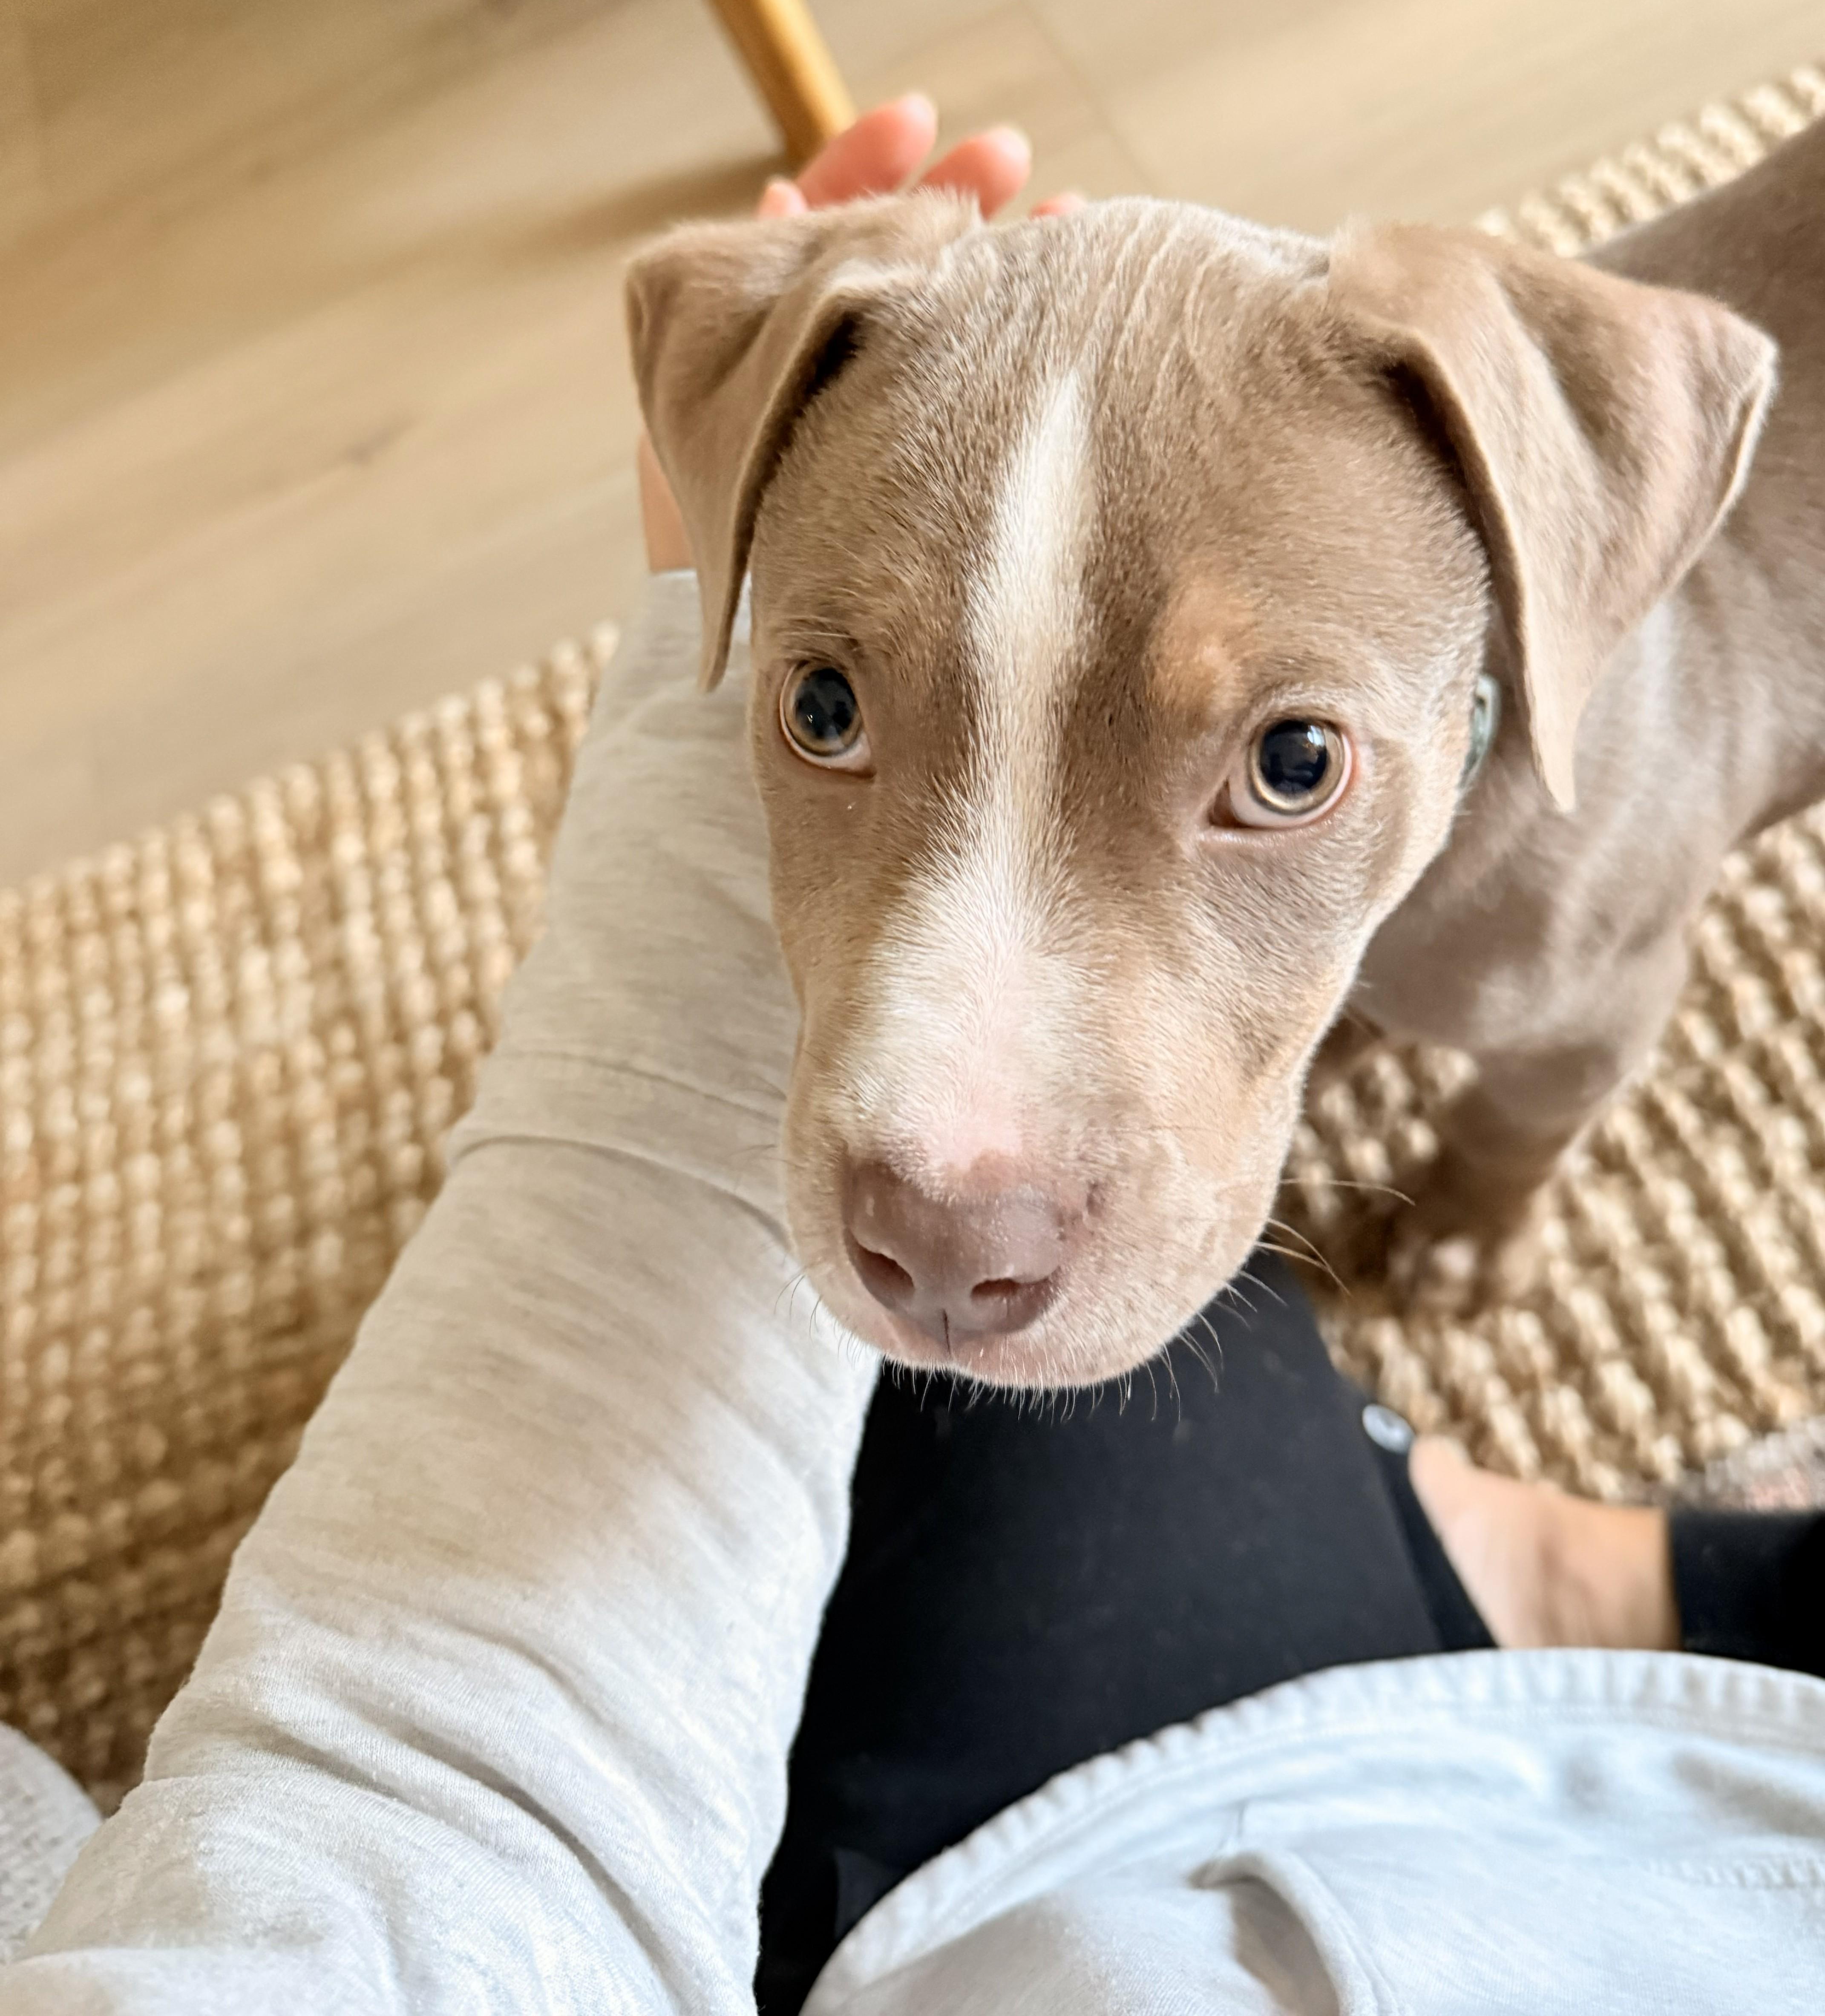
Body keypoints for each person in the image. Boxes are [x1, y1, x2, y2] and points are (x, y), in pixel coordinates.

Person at [0, 103, 1821, 2015]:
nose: (952, 1174)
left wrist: (1484, 1194)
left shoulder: (1560, 854)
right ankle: (1572, 1574)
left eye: (1289, 762)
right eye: (825, 701)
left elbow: (1589, 1021)